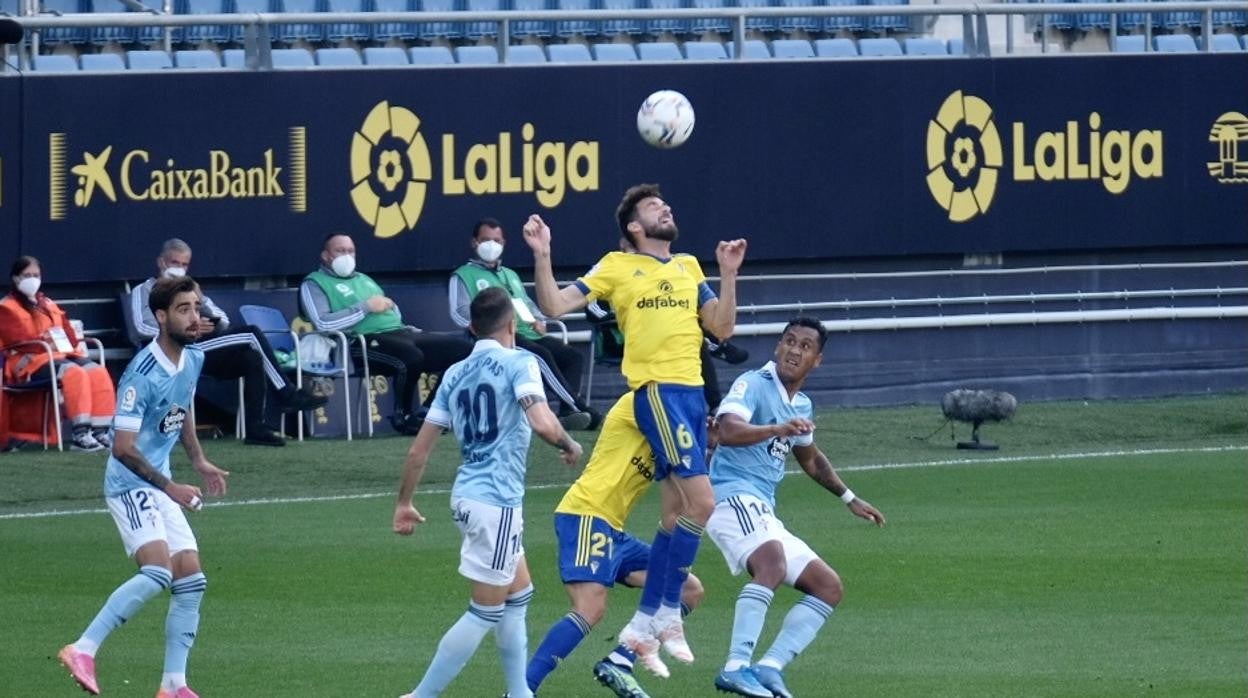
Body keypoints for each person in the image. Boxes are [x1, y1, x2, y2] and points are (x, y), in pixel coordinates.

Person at [522, 183, 746, 677]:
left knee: (677, 516)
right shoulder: (617, 266)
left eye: (666, 203)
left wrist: (728, 275)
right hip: (658, 391)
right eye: (652, 207)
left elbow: (722, 328)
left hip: (688, 397)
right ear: (634, 228)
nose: (665, 207)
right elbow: (556, 306)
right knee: (702, 505)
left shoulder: (688, 267)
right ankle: (657, 617)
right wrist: (543, 255)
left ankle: (643, 631)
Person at [392, 287, 583, 698]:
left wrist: (404, 502)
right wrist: (569, 444)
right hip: (494, 501)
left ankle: (519, 693)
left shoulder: (455, 374)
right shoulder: (520, 362)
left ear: (471, 328)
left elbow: (418, 449)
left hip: (469, 494)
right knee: (485, 611)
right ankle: (420, 696)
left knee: (520, 594)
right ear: (512, 324)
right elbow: (542, 422)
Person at [58, 275, 231, 698]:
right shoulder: (142, 373)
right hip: (131, 484)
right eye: (183, 309)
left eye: (196, 307)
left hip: (163, 480)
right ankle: (83, 648)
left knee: (191, 578)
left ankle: (174, 685)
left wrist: (198, 459)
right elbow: (122, 448)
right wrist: (170, 486)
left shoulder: (192, 358)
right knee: (157, 572)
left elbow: (182, 405)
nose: (195, 317)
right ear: (160, 317)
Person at [706, 317, 886, 698]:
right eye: (789, 341)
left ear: (816, 360)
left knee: (828, 586)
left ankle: (769, 667)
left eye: (805, 346)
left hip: (762, 509)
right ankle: (736, 666)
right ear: (777, 347)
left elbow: (810, 459)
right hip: (729, 496)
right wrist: (777, 429)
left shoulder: (802, 403)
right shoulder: (753, 384)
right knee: (771, 562)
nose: (794, 350)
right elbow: (728, 431)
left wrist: (850, 499)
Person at [525, 392, 705, 698]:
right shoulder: (641, 402)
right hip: (586, 514)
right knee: (590, 608)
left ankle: (620, 661)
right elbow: (678, 440)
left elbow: (682, 490)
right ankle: (521, 691)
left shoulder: (669, 423)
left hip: (613, 531)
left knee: (688, 588)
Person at [129, 238, 326, 447]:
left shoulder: (190, 291)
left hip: (202, 349)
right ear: (161, 262)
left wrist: (202, 302)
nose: (179, 269)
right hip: (172, 351)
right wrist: (186, 328)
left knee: (252, 357)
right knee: (251, 334)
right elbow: (140, 327)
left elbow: (224, 321)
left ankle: (255, 428)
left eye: (184, 265)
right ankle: (286, 393)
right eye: (174, 263)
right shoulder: (144, 290)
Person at [300, 233, 472, 435]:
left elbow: (392, 312)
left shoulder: (365, 280)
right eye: (340, 251)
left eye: (350, 251)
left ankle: (429, 412)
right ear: (326, 255)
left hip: (400, 332)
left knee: (466, 352)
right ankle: (403, 416)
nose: (346, 256)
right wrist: (365, 307)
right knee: (410, 356)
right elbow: (322, 323)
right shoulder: (315, 283)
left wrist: (394, 314)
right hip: (359, 343)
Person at [449, 217, 599, 431]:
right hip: (497, 337)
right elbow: (458, 312)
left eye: (497, 240)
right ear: (474, 243)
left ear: (503, 243)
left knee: (571, 356)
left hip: (526, 332)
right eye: (485, 240)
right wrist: (485, 327)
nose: (491, 245)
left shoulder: (509, 274)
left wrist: (537, 318)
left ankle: (566, 413)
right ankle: (577, 406)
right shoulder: (463, 275)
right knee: (539, 355)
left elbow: (524, 302)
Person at [0, 256, 116, 451]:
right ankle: (80, 435)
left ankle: (100, 432)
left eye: (36, 275)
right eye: (27, 275)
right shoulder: (6, 307)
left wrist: (55, 343)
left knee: (97, 371)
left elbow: (70, 336)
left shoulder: (47, 303)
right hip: (27, 363)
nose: (32, 279)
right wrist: (47, 343)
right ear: (15, 278)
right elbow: (18, 341)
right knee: (73, 373)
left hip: (58, 356)